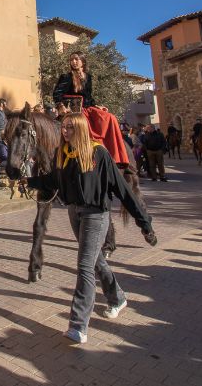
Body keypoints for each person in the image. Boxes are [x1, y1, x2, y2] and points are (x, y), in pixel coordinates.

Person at [27, 112, 155, 344]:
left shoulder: (99, 153)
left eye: (70, 127)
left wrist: (144, 223)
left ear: (82, 129)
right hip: (74, 212)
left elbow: (123, 191)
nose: (64, 131)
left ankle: (78, 325)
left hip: (96, 214)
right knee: (96, 261)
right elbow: (53, 181)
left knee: (84, 265)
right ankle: (117, 298)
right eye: (63, 127)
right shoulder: (62, 154)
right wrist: (28, 181)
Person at [52, 50, 129, 166]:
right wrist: (60, 105)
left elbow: (88, 96)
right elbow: (57, 93)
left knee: (110, 118)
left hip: (87, 107)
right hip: (73, 110)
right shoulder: (66, 77)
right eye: (71, 60)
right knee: (84, 123)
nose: (73, 62)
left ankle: (115, 155)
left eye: (76, 59)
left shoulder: (88, 77)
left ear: (82, 61)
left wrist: (96, 105)